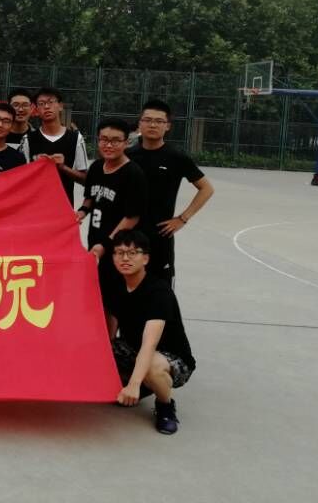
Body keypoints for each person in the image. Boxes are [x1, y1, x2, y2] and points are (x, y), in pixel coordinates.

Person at [104, 229, 195, 435]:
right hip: (133, 348)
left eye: (132, 253)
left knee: (152, 366)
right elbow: (111, 330)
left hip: (170, 357)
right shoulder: (115, 286)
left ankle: (165, 406)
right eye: (119, 253)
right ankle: (145, 386)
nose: (125, 258)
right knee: (94, 351)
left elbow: (149, 344)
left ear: (145, 258)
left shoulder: (158, 292)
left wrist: (133, 384)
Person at [127, 99, 215, 283]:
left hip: (160, 237)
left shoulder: (176, 157)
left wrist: (182, 218)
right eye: (147, 120)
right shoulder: (127, 156)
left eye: (159, 121)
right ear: (139, 124)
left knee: (161, 292)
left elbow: (206, 188)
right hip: (128, 235)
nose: (152, 125)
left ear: (167, 126)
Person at [77, 118, 147, 290]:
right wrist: (81, 212)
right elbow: (90, 198)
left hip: (119, 249)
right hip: (95, 242)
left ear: (126, 142)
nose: (108, 145)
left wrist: (106, 245)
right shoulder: (96, 167)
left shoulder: (133, 173)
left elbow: (132, 218)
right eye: (104, 139)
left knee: (114, 295)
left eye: (115, 141)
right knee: (94, 291)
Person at [24, 87, 88, 206]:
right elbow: (22, 180)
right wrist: (36, 167)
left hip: (64, 208)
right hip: (35, 207)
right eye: (41, 103)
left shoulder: (76, 138)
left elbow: (86, 180)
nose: (46, 107)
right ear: (36, 110)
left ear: (60, 106)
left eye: (51, 102)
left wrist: (63, 167)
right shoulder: (28, 139)